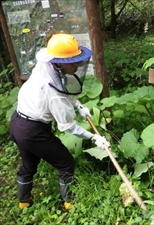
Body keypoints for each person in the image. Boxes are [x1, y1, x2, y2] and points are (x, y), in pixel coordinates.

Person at [9, 33, 109, 210]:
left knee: (29, 164)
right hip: (33, 131)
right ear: (60, 64)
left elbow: (64, 89)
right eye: (74, 62)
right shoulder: (53, 92)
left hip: (17, 123)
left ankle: (24, 202)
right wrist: (94, 137)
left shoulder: (46, 65)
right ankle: (70, 202)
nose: (78, 65)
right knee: (66, 163)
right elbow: (68, 126)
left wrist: (79, 107)